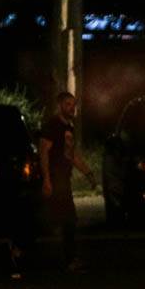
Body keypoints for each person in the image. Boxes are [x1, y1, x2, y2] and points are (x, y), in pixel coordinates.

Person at [39, 91, 95, 271]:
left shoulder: (69, 128)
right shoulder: (52, 125)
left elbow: (71, 156)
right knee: (66, 219)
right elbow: (43, 153)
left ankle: (19, 247)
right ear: (60, 106)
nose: (72, 108)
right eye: (68, 104)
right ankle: (70, 260)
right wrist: (47, 179)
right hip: (55, 178)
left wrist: (88, 173)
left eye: (73, 104)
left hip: (63, 179)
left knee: (57, 219)